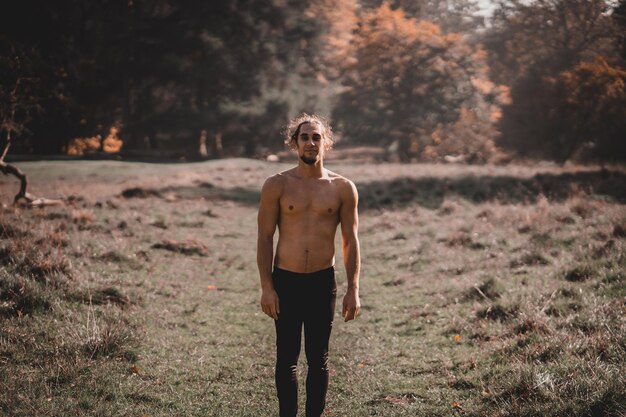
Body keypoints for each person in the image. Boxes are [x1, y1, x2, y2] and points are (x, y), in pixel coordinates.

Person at [257, 114, 361, 417]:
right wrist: (267, 287)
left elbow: (350, 241)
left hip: (321, 282)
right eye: (305, 137)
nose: (311, 143)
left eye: (316, 137)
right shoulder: (276, 185)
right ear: (294, 143)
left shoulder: (343, 187)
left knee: (319, 359)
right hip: (285, 281)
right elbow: (264, 238)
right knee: (286, 359)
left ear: (325, 142)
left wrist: (353, 289)